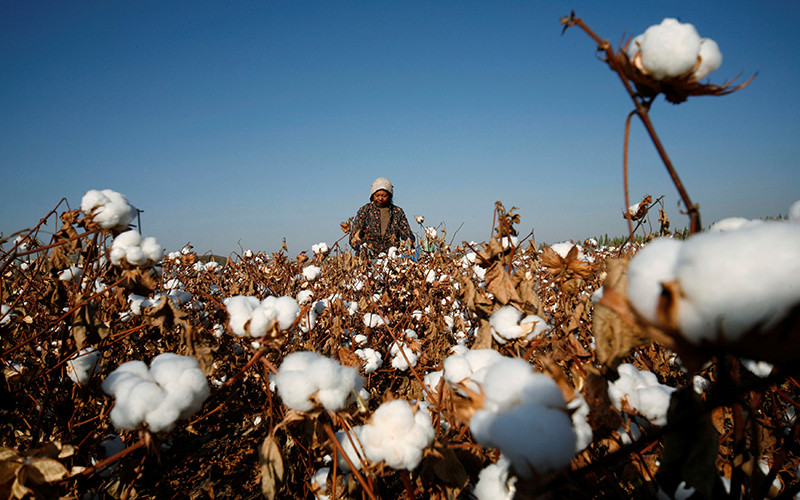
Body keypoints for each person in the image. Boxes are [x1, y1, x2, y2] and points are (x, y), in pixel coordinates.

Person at [350, 177, 415, 257]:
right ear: (372, 196)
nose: (380, 198)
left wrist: (409, 242)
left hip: (391, 257)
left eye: (384, 196)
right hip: (368, 257)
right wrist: (360, 247)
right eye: (377, 195)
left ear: (390, 196)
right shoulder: (365, 211)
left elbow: (406, 232)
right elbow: (355, 233)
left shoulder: (397, 212)